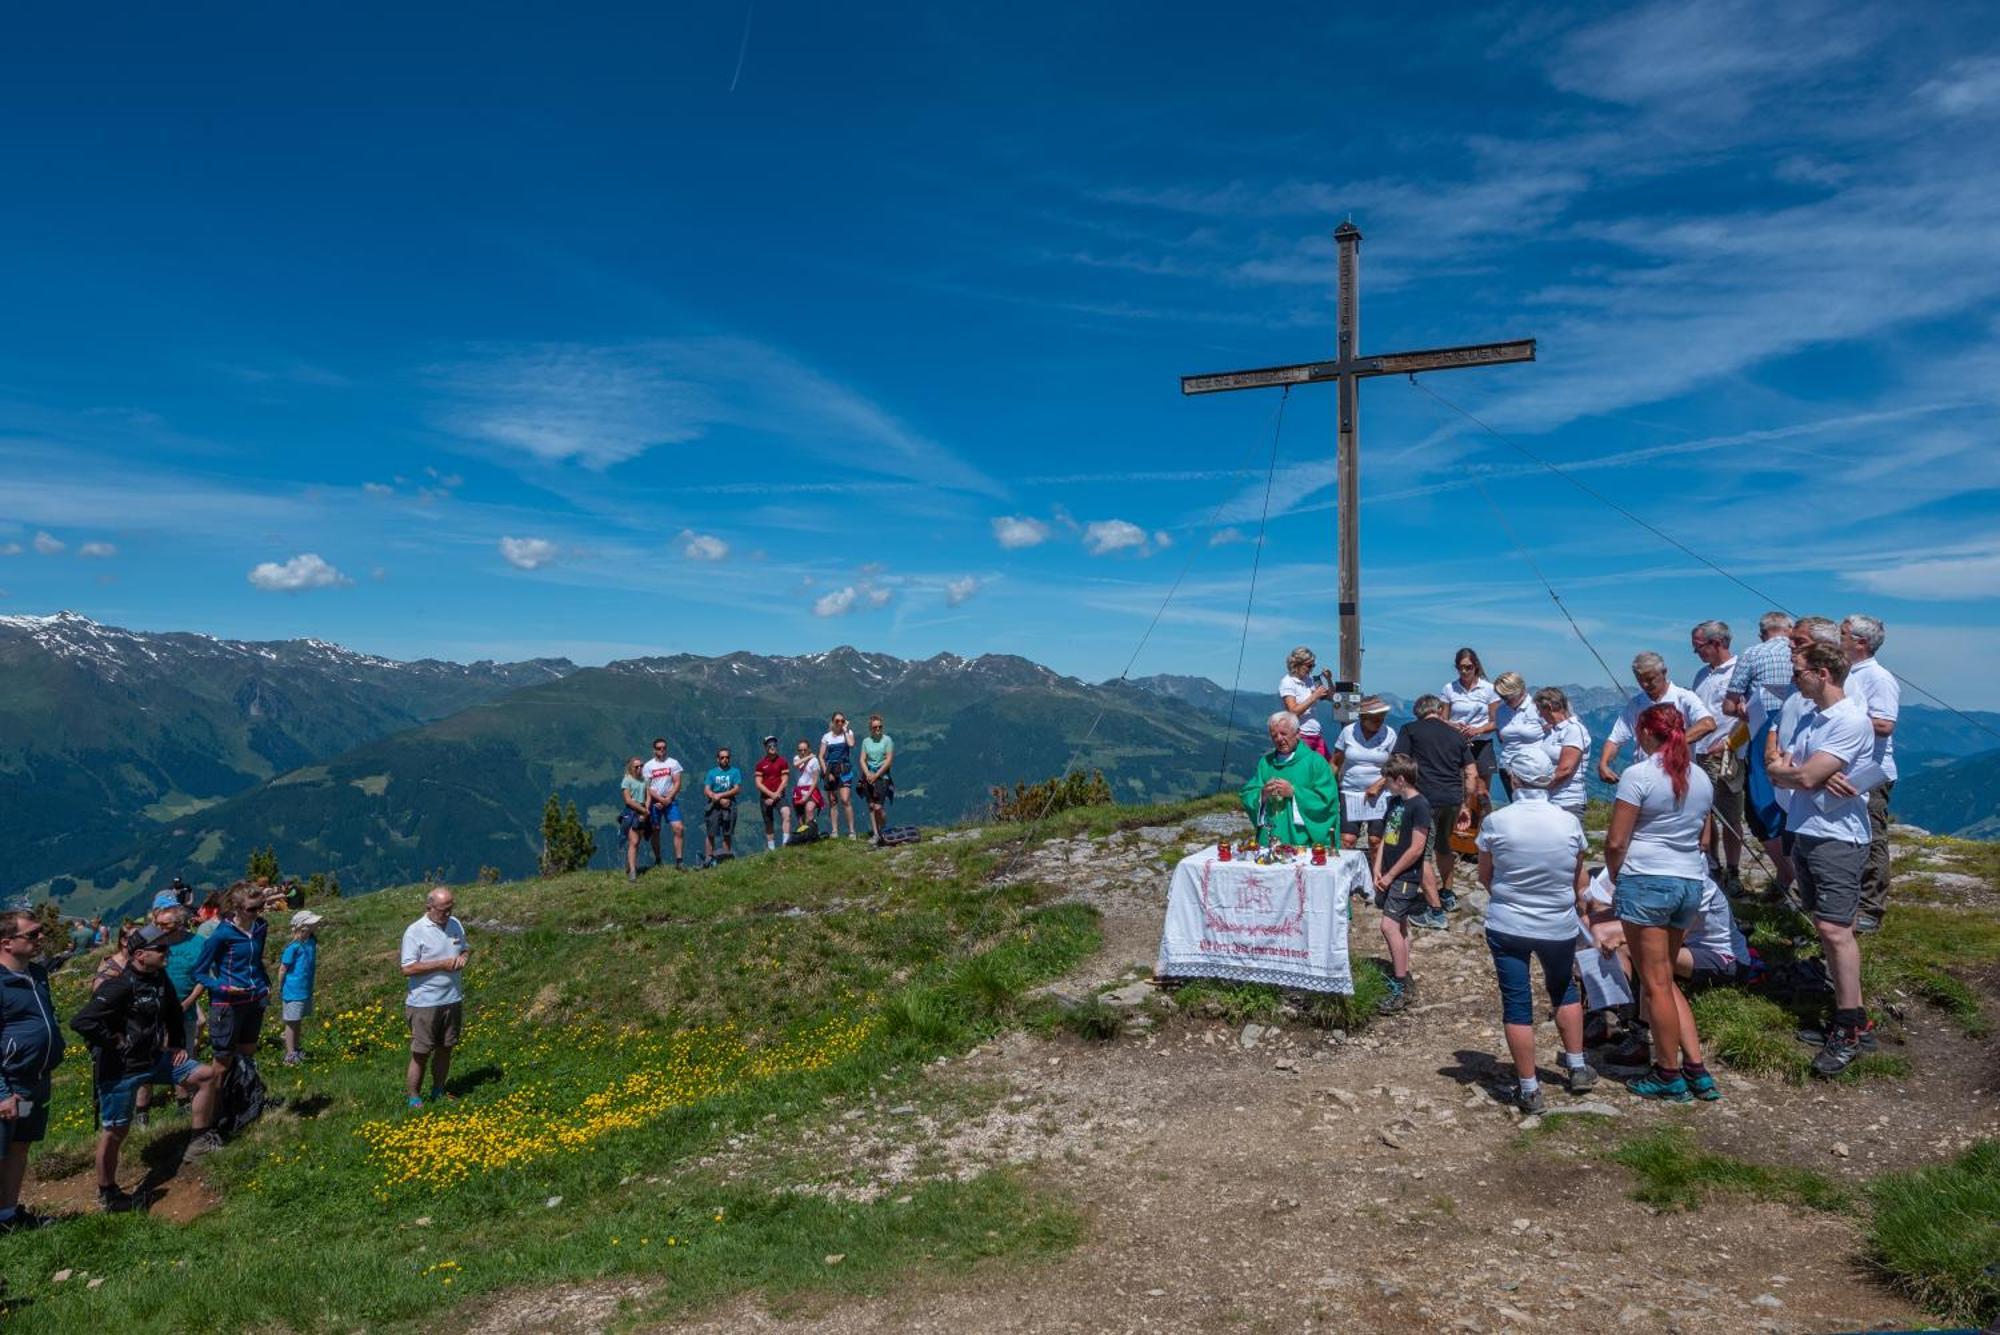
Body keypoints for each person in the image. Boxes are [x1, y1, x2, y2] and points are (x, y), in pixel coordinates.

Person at [1766, 643, 1878, 1077]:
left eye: (1800, 671)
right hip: (1807, 830)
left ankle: (1848, 1026)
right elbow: (1780, 765)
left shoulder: (1849, 719)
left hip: (1838, 837)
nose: (1795, 678)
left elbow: (1804, 773)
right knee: (1826, 925)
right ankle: (1855, 1014)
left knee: (1834, 929)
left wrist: (1799, 774)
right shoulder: (1814, 716)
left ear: (1824, 673)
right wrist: (1794, 774)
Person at [1604, 704, 1717, 1103]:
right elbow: (1704, 836)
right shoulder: (1700, 777)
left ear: (1647, 733)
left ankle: (1668, 1072)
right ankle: (1696, 1069)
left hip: (1648, 878)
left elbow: (1617, 840)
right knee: (1666, 978)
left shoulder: (1639, 775)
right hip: (1690, 879)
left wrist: (1617, 874)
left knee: (1652, 983)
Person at [70, 925, 224, 1210]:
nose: (169, 953)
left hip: (154, 1060)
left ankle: (198, 1142)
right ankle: (108, 1192)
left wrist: (177, 1044)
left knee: (205, 1075)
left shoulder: (159, 978)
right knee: (116, 1132)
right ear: (140, 954)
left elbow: (173, 1011)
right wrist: (114, 1042)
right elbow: (82, 1021)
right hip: (121, 1070)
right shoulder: (119, 985)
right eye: (162, 949)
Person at [1476, 747, 1594, 1110]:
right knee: (1563, 990)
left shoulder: (1497, 822)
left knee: (1516, 1003)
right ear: (1548, 778)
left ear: (1514, 779)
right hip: (1557, 923)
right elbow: (1579, 878)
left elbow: (1485, 875)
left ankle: (1529, 1087)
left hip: (1508, 922)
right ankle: (1576, 1066)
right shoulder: (1568, 822)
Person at [1376, 695, 1477, 907]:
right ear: (1439, 710)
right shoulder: (1457, 735)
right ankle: (1447, 894)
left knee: (1421, 854)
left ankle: (1435, 909)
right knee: (1444, 846)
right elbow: (1471, 773)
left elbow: (1399, 762)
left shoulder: (1410, 730)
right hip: (1452, 799)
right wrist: (1466, 804)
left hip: (1424, 800)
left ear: (1417, 713)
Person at [0, 908, 65, 1233]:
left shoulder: (37, 974)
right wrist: (2, 1093)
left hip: (34, 1081)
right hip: (8, 1085)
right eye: (33, 934)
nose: (41, 938)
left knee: (19, 1145)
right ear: (7, 943)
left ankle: (8, 1215)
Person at [1726, 612, 1800, 894]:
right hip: (1801, 727)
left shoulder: (1753, 654)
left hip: (1762, 726)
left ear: (1762, 634)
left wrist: (1742, 709)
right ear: (1789, 630)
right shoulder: (1805, 654)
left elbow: (1730, 706)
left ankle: (1786, 871)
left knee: (1763, 799)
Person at [1840, 614, 1900, 934]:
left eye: (1843, 633)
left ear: (1860, 643)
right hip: (1853, 767)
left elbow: (1885, 724)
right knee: (1853, 834)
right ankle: (1853, 898)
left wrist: (1845, 718)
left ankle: (1872, 908)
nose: (1839, 638)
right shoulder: (1850, 673)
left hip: (1873, 770)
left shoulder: (1877, 677)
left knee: (1873, 836)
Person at [190, 884, 277, 1084]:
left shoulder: (261, 927)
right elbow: (199, 972)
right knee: (222, 1063)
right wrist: (222, 987)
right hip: (227, 1005)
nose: (257, 913)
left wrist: (265, 984)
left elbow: (256, 961)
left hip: (254, 1000)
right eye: (251, 909)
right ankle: (215, 1109)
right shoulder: (222, 934)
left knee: (247, 1055)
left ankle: (244, 1104)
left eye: (260, 907)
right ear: (236, 908)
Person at [1597, 651, 1718, 784]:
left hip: (1679, 776)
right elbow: (1615, 739)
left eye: (1649, 679)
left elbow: (1708, 723)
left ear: (1664, 672)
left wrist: (1671, 744)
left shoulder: (1684, 697)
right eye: (1640, 680)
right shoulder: (1635, 705)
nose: (1645, 685)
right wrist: (1603, 763)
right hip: (1646, 777)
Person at [1373, 755, 1435, 1013]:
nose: (1385, 784)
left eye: (1388, 780)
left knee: (1388, 926)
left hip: (1406, 876)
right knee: (1399, 925)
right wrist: (1377, 867)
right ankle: (1403, 974)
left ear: (1400, 779)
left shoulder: (1420, 805)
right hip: (1388, 871)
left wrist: (1390, 875)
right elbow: (1388, 836)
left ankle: (1399, 988)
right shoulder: (1395, 802)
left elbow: (1417, 848)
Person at [1689, 621, 1746, 895]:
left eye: (1699, 647)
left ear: (1717, 643)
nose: (1696, 652)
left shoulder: (1740, 672)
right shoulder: (1701, 675)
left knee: (1730, 814)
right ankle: (1711, 865)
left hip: (1726, 754)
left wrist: (1730, 742)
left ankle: (1733, 870)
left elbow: (1750, 715)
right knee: (1703, 813)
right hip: (1698, 753)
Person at [400, 887, 469, 1108]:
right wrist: (441, 964)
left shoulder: (455, 924)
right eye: (443, 910)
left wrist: (464, 957)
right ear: (429, 907)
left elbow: (465, 949)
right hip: (425, 1003)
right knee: (421, 1052)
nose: (448, 914)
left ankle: (439, 1089)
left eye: (451, 908)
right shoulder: (415, 931)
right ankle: (414, 1097)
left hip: (452, 998)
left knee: (446, 1047)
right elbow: (407, 968)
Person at [1239, 713, 1339, 847]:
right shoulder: (1266, 762)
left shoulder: (1315, 762)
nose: (1279, 739)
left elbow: (1327, 801)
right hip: (1270, 836)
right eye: (1274, 735)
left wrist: (1294, 793)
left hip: (1301, 838)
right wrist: (1262, 794)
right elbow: (1248, 793)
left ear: (1297, 733)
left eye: (1283, 733)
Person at [1332, 697, 1396, 853]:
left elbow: (1396, 766)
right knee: (1347, 839)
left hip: (1380, 793)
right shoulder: (1348, 732)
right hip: (1350, 791)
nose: (1379, 720)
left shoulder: (1390, 734)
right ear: (1363, 717)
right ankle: (1347, 874)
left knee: (1376, 840)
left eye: (1381, 717)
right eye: (1374, 718)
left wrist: (1380, 784)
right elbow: (1335, 761)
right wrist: (1330, 787)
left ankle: (1377, 876)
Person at [1442, 648, 1500, 793]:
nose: (1464, 671)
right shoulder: (1449, 689)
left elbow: (1496, 721)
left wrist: (1477, 730)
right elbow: (1442, 719)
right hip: (1457, 744)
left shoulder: (1489, 689)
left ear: (1476, 666)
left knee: (1482, 790)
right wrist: (1455, 726)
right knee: (1459, 788)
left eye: (1468, 667)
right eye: (1460, 668)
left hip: (1482, 744)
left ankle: (1483, 816)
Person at [1533, 687, 1592, 819]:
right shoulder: (1552, 731)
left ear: (1548, 707)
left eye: (1539, 709)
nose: (1539, 714)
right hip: (1549, 799)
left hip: (1568, 800)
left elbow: (1565, 769)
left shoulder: (1574, 730)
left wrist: (1538, 788)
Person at [276, 910, 322, 1067]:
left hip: (305, 989)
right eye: (312, 923)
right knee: (291, 1022)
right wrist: (280, 986)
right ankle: (290, 1054)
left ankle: (295, 1047)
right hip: (293, 990)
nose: (316, 925)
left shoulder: (311, 941)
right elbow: (283, 968)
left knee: (298, 1020)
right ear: (302, 927)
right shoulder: (293, 947)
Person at [1488, 672, 1545, 799]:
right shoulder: (1501, 711)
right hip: (1507, 767)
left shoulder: (1537, 708)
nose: (1505, 700)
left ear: (1521, 690)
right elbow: (1501, 738)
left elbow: (1550, 734)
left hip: (1533, 768)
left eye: (1508, 696)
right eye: (1502, 697)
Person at [1280, 646, 1334, 759]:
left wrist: (1328, 680)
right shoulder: (1288, 682)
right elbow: (1293, 711)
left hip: (1316, 733)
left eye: (1313, 665)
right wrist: (1314, 696)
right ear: (1297, 665)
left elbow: (1333, 697)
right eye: (1309, 666)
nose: (1312, 669)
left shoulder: (1309, 680)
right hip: (1301, 735)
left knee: (1327, 769)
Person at [642, 738, 686, 870]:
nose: (662, 750)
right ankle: (658, 859)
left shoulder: (673, 763)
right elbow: (648, 787)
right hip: (655, 802)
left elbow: (677, 782)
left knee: (678, 828)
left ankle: (679, 861)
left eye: (664, 748)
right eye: (659, 748)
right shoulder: (648, 766)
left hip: (670, 800)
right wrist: (660, 800)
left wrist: (668, 798)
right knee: (655, 830)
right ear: (654, 750)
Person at [701, 747, 743, 866]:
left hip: (729, 805)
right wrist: (717, 798)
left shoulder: (735, 772)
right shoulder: (711, 773)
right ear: (717, 759)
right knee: (711, 833)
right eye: (722, 757)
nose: (725, 759)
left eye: (727, 757)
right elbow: (706, 790)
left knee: (727, 833)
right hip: (714, 805)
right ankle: (708, 860)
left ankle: (725, 859)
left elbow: (737, 789)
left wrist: (720, 796)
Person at [820, 713, 859, 839]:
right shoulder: (827, 737)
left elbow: (851, 744)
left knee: (845, 799)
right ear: (832, 722)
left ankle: (852, 831)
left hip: (844, 769)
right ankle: (834, 831)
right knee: (832, 801)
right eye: (837, 721)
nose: (840, 723)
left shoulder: (848, 733)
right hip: (830, 769)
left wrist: (846, 730)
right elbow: (821, 756)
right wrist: (826, 772)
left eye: (842, 721)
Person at [857, 715, 896, 845]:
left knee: (878, 807)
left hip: (883, 777)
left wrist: (877, 774)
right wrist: (868, 773)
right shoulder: (866, 742)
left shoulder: (887, 740)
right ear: (870, 728)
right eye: (875, 727)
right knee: (871, 806)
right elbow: (862, 759)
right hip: (869, 776)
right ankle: (876, 834)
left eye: (880, 726)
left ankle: (883, 829)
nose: (878, 729)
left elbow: (889, 760)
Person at [754, 736, 791, 851]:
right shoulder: (760, 764)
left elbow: (785, 780)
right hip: (765, 797)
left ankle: (786, 844)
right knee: (769, 823)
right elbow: (758, 784)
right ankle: (772, 849)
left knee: (786, 813)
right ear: (765, 747)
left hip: (779, 795)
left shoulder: (783, 762)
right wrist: (771, 794)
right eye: (769, 745)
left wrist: (776, 795)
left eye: (774, 745)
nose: (772, 747)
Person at [618, 757, 651, 882]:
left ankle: (630, 866)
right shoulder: (627, 780)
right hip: (632, 812)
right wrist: (643, 811)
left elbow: (648, 796)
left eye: (641, 766)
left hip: (643, 811)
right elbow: (628, 800)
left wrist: (646, 809)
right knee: (634, 841)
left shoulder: (645, 780)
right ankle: (632, 871)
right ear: (631, 768)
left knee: (638, 841)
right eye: (636, 767)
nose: (639, 768)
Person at [791, 741, 824, 840]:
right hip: (799, 790)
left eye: (805, 750)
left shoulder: (814, 761)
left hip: (810, 789)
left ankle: (812, 834)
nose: (802, 752)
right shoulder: (797, 758)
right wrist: (808, 757)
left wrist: (807, 795)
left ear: (809, 749)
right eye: (800, 750)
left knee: (809, 810)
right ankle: (804, 837)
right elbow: (796, 764)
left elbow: (815, 780)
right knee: (800, 816)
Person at [92, 923, 138, 993]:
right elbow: (98, 997)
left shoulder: (139, 960)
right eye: (137, 937)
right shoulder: (108, 968)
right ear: (124, 941)